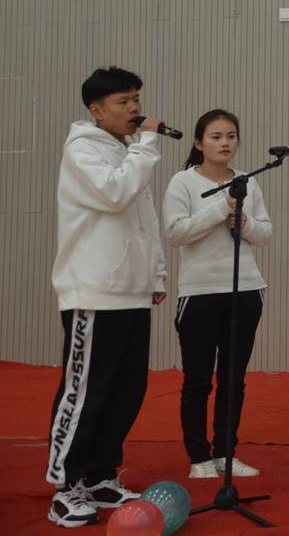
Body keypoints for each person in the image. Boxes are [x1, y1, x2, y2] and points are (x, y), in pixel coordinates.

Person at [46, 67, 172, 528]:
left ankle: (99, 475)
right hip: (95, 291)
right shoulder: (82, 149)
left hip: (132, 292)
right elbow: (115, 194)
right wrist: (147, 144)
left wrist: (155, 273)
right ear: (96, 111)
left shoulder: (127, 152)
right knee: (86, 392)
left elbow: (144, 221)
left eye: (136, 98)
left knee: (125, 390)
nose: (134, 108)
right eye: (123, 101)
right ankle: (66, 487)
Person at [164, 109, 273, 480]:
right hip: (200, 293)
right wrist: (220, 209)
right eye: (215, 137)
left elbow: (265, 233)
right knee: (197, 380)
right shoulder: (183, 182)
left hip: (245, 289)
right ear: (199, 143)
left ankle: (226, 454)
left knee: (233, 380)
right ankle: (199, 457)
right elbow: (176, 233)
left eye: (230, 136)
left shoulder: (246, 182)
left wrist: (243, 221)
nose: (225, 143)